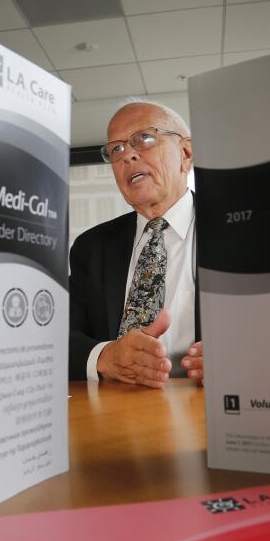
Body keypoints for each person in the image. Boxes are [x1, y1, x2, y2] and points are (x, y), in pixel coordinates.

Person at [69, 101, 203, 388]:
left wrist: (243, 358)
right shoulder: (91, 247)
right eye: (115, 149)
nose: (127, 154)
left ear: (186, 153)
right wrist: (104, 356)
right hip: (113, 413)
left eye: (144, 139)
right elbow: (60, 337)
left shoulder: (238, 226)